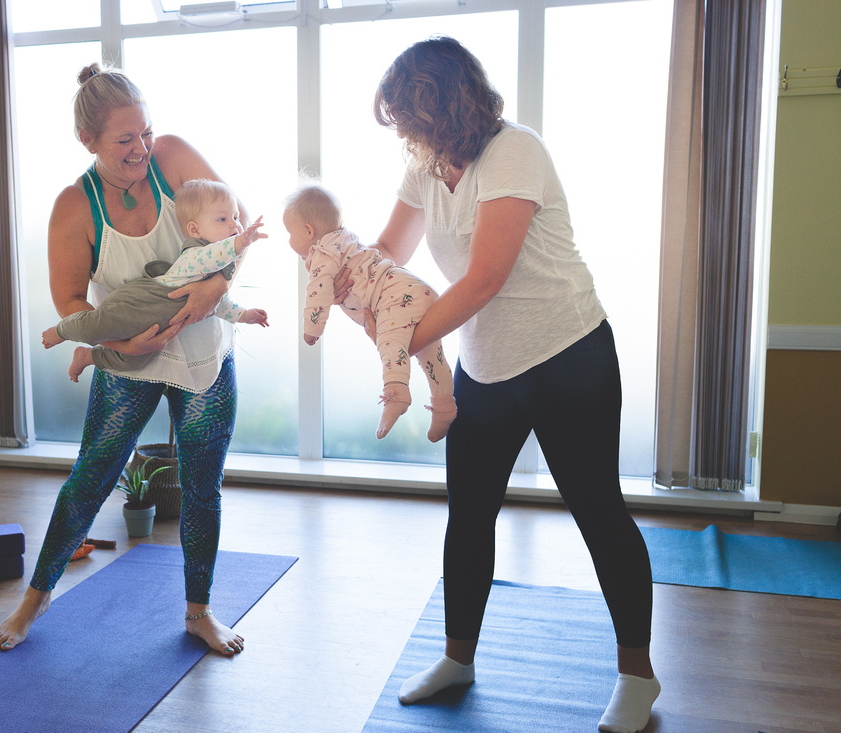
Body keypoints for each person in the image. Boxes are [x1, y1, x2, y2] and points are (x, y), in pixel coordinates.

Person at [363, 37, 660, 733]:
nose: (403, 132)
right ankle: (457, 658)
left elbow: (484, 277)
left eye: (409, 116)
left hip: (568, 355)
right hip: (487, 366)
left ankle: (638, 676)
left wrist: (402, 342)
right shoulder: (426, 164)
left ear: (443, 104)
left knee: (598, 512)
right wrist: (341, 267)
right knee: (468, 514)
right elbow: (386, 253)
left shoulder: (514, 150)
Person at [0, 63, 252, 657]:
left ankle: (199, 612)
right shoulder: (74, 206)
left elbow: (236, 227)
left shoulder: (175, 157)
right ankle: (35, 598)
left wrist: (217, 286)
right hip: (127, 359)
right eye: (125, 140)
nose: (142, 149)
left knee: (201, 486)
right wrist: (120, 347)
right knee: (91, 477)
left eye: (146, 132)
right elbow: (70, 301)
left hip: (202, 355)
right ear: (89, 141)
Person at [43, 178, 269, 383]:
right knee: (96, 327)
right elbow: (216, 256)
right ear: (195, 230)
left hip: (157, 325)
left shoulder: (217, 268)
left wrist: (246, 316)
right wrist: (241, 242)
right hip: (143, 302)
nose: (234, 224)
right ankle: (62, 331)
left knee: (132, 361)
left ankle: (88, 356)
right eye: (223, 219)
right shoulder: (197, 255)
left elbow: (220, 303)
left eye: (236, 217)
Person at [283, 184, 455, 442]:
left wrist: (312, 331)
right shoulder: (345, 238)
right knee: (432, 354)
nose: (288, 241)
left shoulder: (322, 254)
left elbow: (315, 296)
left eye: (289, 233)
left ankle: (396, 394)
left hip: (392, 298)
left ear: (308, 231)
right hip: (413, 287)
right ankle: (444, 408)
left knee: (389, 343)